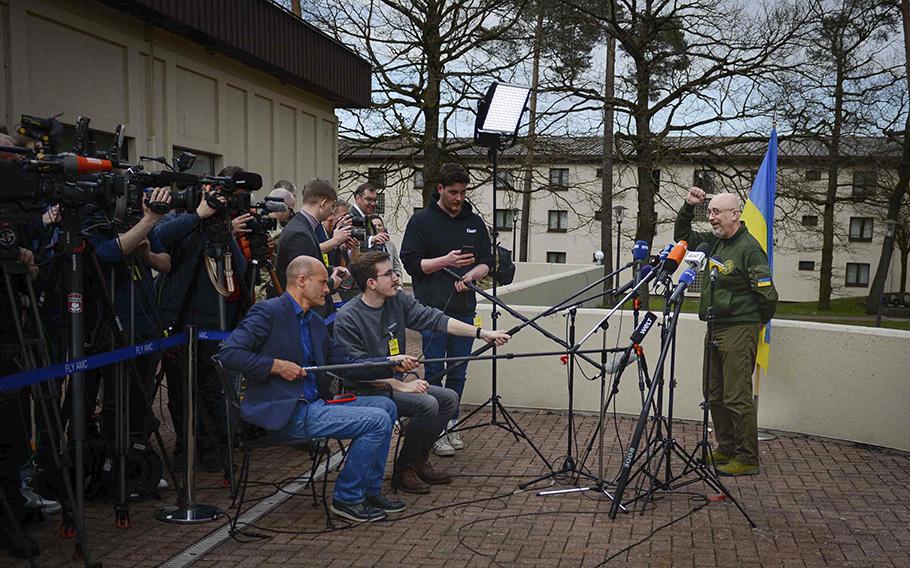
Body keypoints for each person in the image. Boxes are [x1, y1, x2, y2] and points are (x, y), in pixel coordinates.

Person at [218, 256, 418, 521]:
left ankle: (369, 491)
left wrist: (389, 363)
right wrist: (276, 366)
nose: (327, 289)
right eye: (323, 282)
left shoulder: (313, 321)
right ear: (302, 281)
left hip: (314, 405)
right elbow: (229, 353)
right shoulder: (268, 312)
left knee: (386, 405)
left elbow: (346, 363)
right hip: (285, 412)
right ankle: (348, 499)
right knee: (377, 420)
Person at [335, 251, 510, 492]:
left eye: (395, 273)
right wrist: (398, 382)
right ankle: (403, 471)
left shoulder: (397, 300)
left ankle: (415, 462)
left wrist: (482, 333)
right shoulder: (348, 317)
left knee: (448, 399)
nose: (397, 278)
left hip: (392, 386)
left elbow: (434, 319)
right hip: (364, 390)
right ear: (371, 283)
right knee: (427, 403)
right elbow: (354, 369)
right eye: (389, 274)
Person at [674, 187, 778, 477]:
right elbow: (682, 236)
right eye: (709, 212)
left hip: (739, 329)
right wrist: (688, 206)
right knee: (714, 393)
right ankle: (726, 448)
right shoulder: (715, 243)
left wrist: (753, 324)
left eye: (716, 212)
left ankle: (747, 457)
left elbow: (768, 296)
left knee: (737, 395)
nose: (711, 218)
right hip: (715, 326)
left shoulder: (749, 248)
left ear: (736, 214)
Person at [399, 162, 494, 453]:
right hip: (432, 310)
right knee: (435, 370)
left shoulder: (474, 222)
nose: (459, 198)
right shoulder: (422, 221)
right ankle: (434, 428)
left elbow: (487, 261)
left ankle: (451, 423)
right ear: (440, 189)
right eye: (453, 192)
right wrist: (446, 261)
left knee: (458, 371)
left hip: (464, 307)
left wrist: (471, 275)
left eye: (463, 192)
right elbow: (412, 264)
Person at [271, 179, 350, 319]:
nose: (332, 213)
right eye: (332, 207)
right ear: (323, 203)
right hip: (305, 316)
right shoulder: (299, 233)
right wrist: (332, 283)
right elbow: (304, 282)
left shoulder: (303, 227)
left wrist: (332, 270)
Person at [350, 183, 390, 251]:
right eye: (369, 199)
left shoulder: (366, 218)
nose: (373, 204)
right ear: (358, 198)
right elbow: (351, 243)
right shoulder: (349, 217)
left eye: (374, 200)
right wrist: (371, 239)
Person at [368, 215, 403, 289]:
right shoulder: (366, 245)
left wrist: (399, 284)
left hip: (389, 285)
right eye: (374, 225)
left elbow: (396, 266)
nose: (377, 227)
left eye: (380, 225)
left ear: (383, 228)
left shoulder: (390, 244)